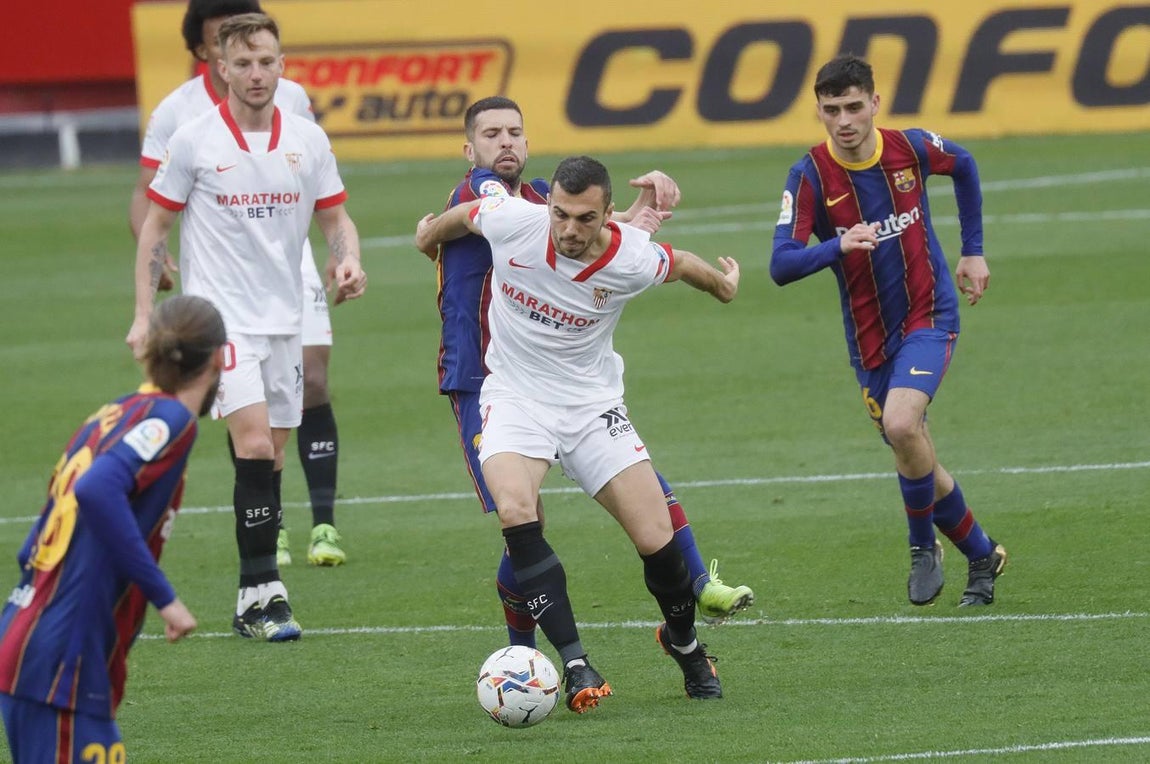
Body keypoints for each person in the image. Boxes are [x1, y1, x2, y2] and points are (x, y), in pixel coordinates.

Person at [425, 96, 753, 649]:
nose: (504, 142)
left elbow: (588, 232)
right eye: (491, 134)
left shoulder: (539, 201)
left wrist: (634, 216)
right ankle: (524, 654)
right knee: (523, 524)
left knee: (632, 476)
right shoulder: (483, 193)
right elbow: (482, 221)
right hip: (483, 374)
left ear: (529, 144)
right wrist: (427, 234)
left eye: (514, 132)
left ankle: (694, 582)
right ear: (469, 149)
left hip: (564, 380)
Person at [126, 12, 367, 641]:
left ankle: (250, 595)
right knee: (255, 444)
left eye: (267, 61)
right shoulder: (196, 140)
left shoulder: (308, 139)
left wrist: (348, 260)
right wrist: (145, 316)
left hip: (286, 315)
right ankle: (271, 595)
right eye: (243, 63)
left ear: (281, 64)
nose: (257, 74)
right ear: (221, 68)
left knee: (270, 456)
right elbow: (155, 228)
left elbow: (336, 218)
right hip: (220, 321)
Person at [770, 54, 1007, 607]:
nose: (844, 120)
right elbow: (781, 264)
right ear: (820, 112)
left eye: (854, 107)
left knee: (903, 425)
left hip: (930, 315)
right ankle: (983, 552)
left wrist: (973, 251)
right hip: (870, 341)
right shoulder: (808, 175)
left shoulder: (912, 148)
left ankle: (923, 549)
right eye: (832, 110)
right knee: (913, 447)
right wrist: (837, 245)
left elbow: (965, 165)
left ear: (875, 103)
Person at [0, 295, 225, 764]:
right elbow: (98, 488)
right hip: (63, 658)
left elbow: (34, 540)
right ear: (220, 358)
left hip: (29, 636)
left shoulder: (116, 412)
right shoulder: (173, 420)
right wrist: (167, 599)